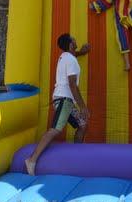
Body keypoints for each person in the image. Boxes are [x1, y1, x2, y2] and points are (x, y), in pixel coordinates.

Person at [25, 34, 90, 175]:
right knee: (55, 129)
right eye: (74, 39)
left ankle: (76, 154)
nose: (75, 39)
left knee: (82, 124)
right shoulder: (70, 59)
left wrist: (82, 53)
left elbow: (73, 56)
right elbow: (73, 85)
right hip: (64, 99)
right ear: (71, 44)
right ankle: (32, 159)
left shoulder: (66, 57)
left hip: (65, 100)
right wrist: (83, 106)